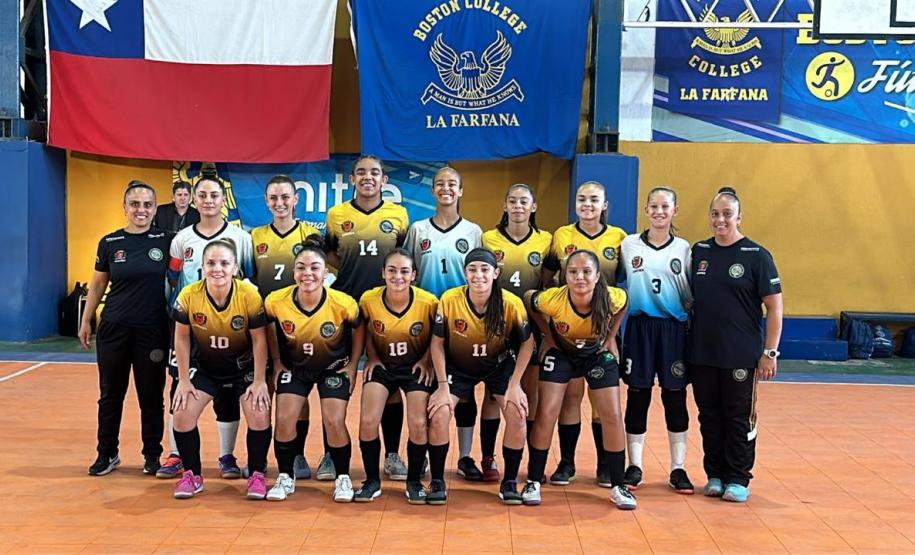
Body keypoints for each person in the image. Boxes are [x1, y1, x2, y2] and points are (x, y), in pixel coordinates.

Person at [688, 187, 782, 503]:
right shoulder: (699, 252)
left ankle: (739, 478)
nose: (720, 219)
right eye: (715, 213)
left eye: (727, 213)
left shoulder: (757, 256)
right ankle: (714, 475)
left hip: (740, 354)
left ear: (739, 217)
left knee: (738, 417)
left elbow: (775, 307)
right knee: (708, 416)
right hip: (702, 353)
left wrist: (769, 352)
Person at [523, 250, 636, 510]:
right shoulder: (554, 299)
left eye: (586, 272)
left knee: (612, 415)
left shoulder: (610, 297)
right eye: (573, 272)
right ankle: (533, 481)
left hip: (596, 355)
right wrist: (548, 336)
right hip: (562, 353)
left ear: (597, 276)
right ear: (565, 276)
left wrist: (610, 338)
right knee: (546, 412)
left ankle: (619, 486)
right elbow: (530, 299)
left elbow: (625, 301)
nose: (580, 277)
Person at [158, 177, 255, 480]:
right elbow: (172, 282)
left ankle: (227, 456)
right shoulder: (181, 239)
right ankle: (176, 455)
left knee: (227, 392)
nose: (208, 200)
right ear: (194, 200)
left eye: (214, 194)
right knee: (180, 388)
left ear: (223, 199)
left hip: (229, 328)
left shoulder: (241, 238)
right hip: (191, 326)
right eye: (203, 195)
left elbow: (250, 281)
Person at [324, 155, 410, 483]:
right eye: (361, 173)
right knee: (334, 380)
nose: (368, 178)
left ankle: (391, 455)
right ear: (351, 179)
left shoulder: (398, 215)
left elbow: (401, 258)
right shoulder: (337, 215)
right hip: (346, 309)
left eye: (374, 173)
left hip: (386, 311)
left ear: (384, 180)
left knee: (387, 384)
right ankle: (332, 455)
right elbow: (330, 254)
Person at [427, 248, 533, 505]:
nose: (478, 275)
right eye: (472, 270)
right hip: (458, 366)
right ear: (464, 273)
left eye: (485, 270)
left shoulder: (510, 303)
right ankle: (438, 479)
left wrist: (516, 384)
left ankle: (509, 481)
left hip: (498, 366)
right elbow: (437, 342)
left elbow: (527, 344)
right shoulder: (450, 299)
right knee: (439, 412)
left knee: (518, 415)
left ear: (495, 273)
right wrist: (442, 386)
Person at [80, 180, 171, 476]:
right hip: (114, 329)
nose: (140, 210)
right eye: (135, 204)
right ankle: (107, 453)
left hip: (152, 331)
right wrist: (86, 318)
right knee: (110, 395)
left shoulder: (167, 240)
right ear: (125, 208)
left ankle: (152, 455)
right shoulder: (110, 243)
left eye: (147, 205)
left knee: (151, 396)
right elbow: (97, 284)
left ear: (155, 208)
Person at [404, 166, 490, 482]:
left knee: (463, 390)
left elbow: (481, 277)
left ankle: (465, 457)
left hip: (462, 319)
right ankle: (426, 454)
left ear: (461, 190)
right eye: (440, 183)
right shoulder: (417, 230)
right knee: (428, 386)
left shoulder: (473, 231)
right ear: (432, 191)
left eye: (452, 184)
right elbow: (408, 273)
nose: (445, 188)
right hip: (426, 319)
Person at [169, 238, 272, 499]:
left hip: (243, 368)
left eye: (225, 263)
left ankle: (257, 474)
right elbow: (181, 338)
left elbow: (260, 340)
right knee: (181, 412)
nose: (218, 269)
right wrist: (183, 380)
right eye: (211, 263)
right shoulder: (189, 295)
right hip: (206, 368)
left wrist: (259, 380)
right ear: (202, 267)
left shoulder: (248, 295)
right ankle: (192, 474)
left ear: (235, 267)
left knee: (260, 412)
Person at [263, 237, 364, 502]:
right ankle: (286, 476)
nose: (307, 273)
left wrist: (353, 366)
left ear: (326, 273)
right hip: (295, 369)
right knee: (284, 420)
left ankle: (342, 477)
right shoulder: (276, 301)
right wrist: (277, 362)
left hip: (333, 368)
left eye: (314, 268)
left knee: (333, 421)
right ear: (294, 271)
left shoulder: (343, 303)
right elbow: (269, 328)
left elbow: (359, 329)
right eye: (301, 267)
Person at [542, 181, 627, 487]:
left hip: (600, 335)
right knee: (572, 396)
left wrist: (611, 337)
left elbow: (623, 293)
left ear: (605, 205)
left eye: (594, 199)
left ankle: (606, 464)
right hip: (568, 331)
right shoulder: (562, 236)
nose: (587, 204)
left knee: (601, 400)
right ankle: (567, 462)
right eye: (581, 199)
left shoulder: (619, 238)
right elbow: (546, 278)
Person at [620, 186, 694, 494]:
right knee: (638, 395)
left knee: (674, 397)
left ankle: (678, 469)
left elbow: (691, 296)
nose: (659, 211)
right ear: (646, 210)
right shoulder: (629, 244)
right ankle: (634, 465)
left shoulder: (685, 249)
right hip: (639, 328)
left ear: (675, 211)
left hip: (673, 330)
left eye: (665, 206)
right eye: (654, 206)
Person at [250, 175, 320, 480]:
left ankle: (298, 455)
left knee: (297, 393)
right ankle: (260, 459)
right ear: (266, 201)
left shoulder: (310, 234)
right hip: (266, 325)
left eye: (285, 197)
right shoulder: (254, 237)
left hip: (300, 327)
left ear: (296, 200)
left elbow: (322, 276)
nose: (280, 203)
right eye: (274, 198)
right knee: (264, 390)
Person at [355, 249, 437, 503]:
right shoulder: (369, 299)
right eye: (391, 270)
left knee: (419, 423)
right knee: (368, 420)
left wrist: (426, 361)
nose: (397, 276)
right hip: (384, 365)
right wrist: (372, 356)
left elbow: (438, 335)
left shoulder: (428, 302)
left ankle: (413, 481)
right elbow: (366, 328)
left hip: (415, 367)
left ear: (413, 274)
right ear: (383, 273)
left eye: (404, 271)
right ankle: (371, 480)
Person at [482, 184, 552, 446]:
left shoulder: (546, 239)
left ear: (533, 207)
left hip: (530, 325)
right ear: (505, 206)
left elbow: (544, 284)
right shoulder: (489, 239)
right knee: (492, 394)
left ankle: (531, 456)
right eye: (512, 201)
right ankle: (488, 456)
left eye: (524, 202)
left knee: (530, 391)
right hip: (496, 323)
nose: (518, 206)